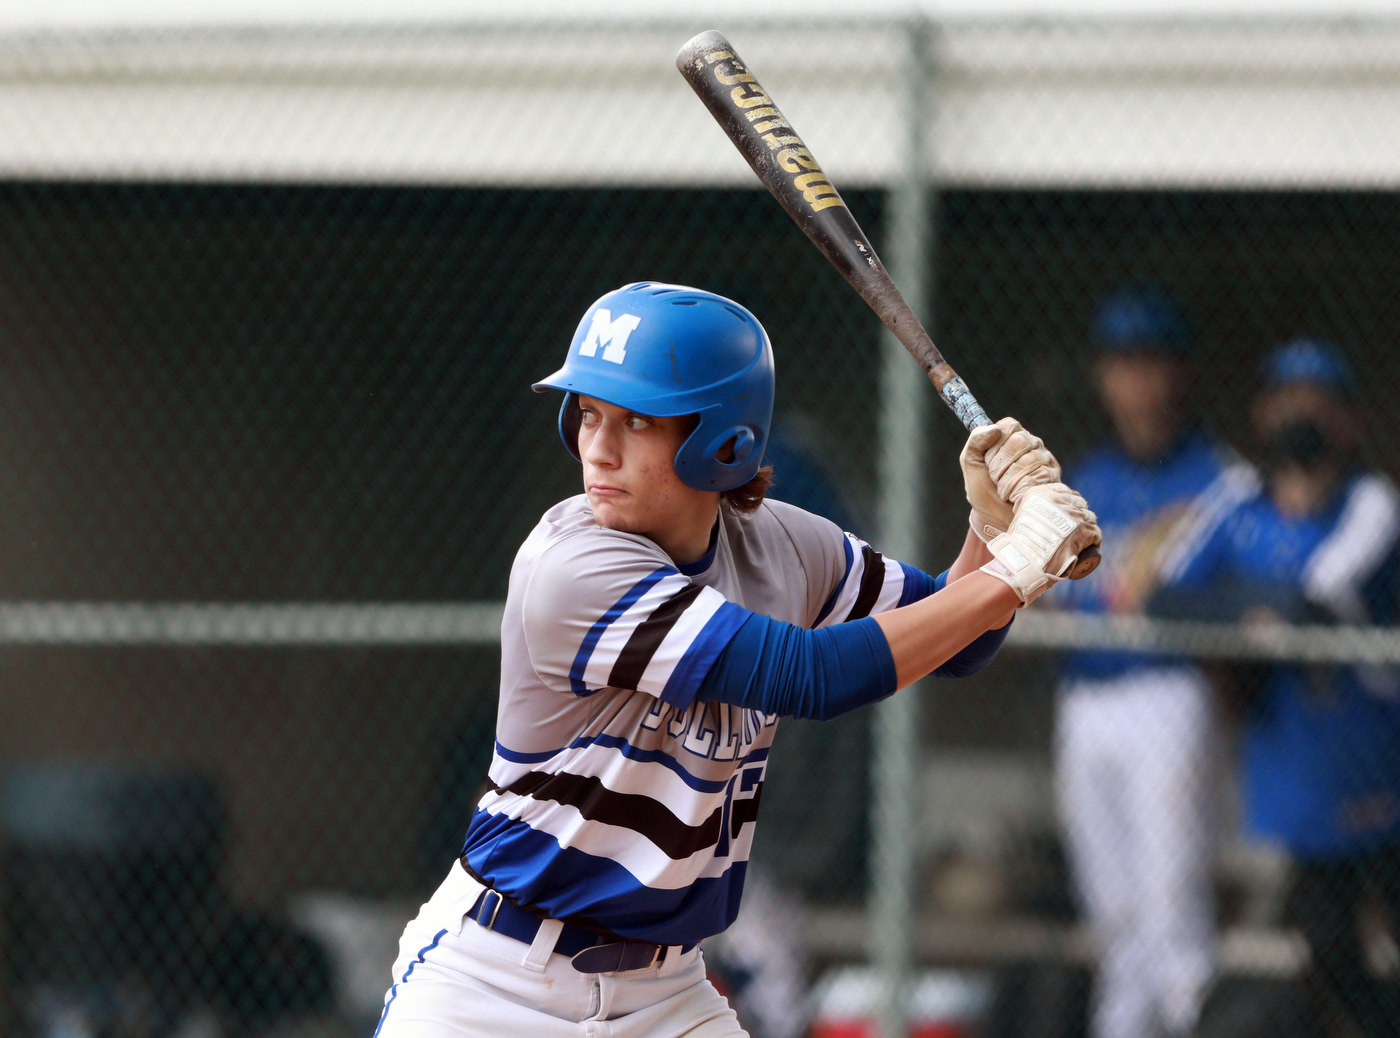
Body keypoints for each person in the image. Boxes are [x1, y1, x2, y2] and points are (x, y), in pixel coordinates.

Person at [372, 281, 1100, 1038]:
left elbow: (958, 638)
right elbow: (808, 674)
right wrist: (1015, 569)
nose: (598, 448)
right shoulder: (573, 566)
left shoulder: (784, 544)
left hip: (664, 994)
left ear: (724, 440)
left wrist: (989, 527)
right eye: (588, 414)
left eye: (635, 421)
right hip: (498, 984)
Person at [1152, 338, 1400, 1036]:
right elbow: (1164, 597)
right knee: (1329, 950)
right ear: (1262, 415)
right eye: (1288, 403)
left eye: (1318, 405)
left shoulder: (1372, 502)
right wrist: (1248, 612)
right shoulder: (1238, 499)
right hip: (1304, 767)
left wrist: (1241, 604)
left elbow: (1315, 595)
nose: (1301, 417)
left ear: (1349, 422)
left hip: (1381, 753)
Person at [1049, 287, 1242, 1038]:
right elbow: (1048, 593)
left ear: (1180, 374)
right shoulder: (1084, 478)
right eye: (1123, 364)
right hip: (1085, 701)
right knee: (1116, 923)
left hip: (1172, 696)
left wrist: (1110, 591)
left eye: (1151, 363)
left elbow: (1156, 598)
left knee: (1173, 916)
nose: (1137, 383)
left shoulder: (1220, 480)